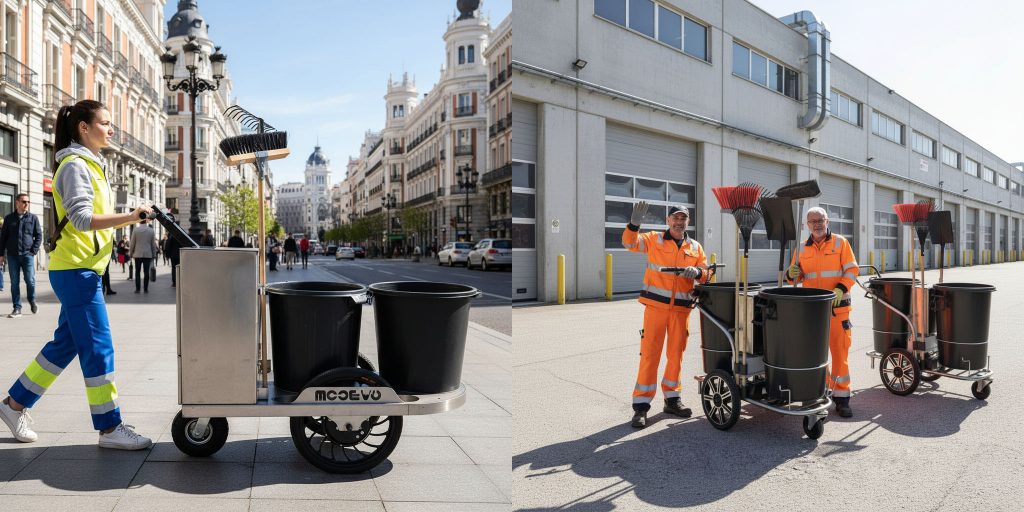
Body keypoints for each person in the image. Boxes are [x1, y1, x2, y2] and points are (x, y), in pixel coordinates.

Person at [0, 99, 153, 450]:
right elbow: (83, 220)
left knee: (64, 346)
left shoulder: (90, 165)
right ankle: (110, 427)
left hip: (83, 268)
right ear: (84, 128)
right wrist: (132, 217)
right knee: (99, 347)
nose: (111, 129)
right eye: (105, 123)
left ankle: (14, 405)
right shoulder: (73, 165)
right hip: (76, 270)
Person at [621, 201, 708, 428]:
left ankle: (672, 399)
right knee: (650, 354)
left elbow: (707, 274)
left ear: (687, 222)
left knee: (675, 356)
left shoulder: (695, 247)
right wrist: (634, 224)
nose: (679, 222)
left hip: (680, 310)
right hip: (656, 309)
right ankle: (641, 407)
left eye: (683, 218)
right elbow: (629, 243)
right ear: (668, 221)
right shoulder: (653, 240)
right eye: (675, 218)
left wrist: (698, 272)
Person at [786, 206, 859, 418]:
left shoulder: (840, 243)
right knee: (814, 356)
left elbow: (852, 270)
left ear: (827, 221)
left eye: (821, 220)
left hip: (838, 309)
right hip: (812, 311)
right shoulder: (800, 249)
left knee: (839, 353)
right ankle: (821, 392)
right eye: (813, 221)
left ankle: (842, 398)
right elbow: (795, 279)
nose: (817, 224)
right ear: (806, 225)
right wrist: (792, 275)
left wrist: (840, 289)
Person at [0, 193, 43, 317]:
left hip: (27, 255)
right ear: (17, 203)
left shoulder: (33, 218)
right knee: (14, 282)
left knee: (30, 280)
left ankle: (32, 299)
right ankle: (17, 308)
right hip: (12, 255)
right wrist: (1, 254)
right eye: (24, 201)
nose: (26, 204)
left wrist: (33, 251)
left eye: (28, 202)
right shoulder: (9, 219)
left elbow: (39, 236)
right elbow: (3, 238)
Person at [129, 218, 158, 293]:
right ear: (146, 221)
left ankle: (138, 289)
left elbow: (132, 243)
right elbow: (153, 244)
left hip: (137, 254)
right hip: (147, 254)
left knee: (137, 272)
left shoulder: (135, 230)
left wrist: (130, 253)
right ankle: (145, 288)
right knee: (146, 272)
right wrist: (154, 254)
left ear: (139, 221)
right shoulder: (151, 231)